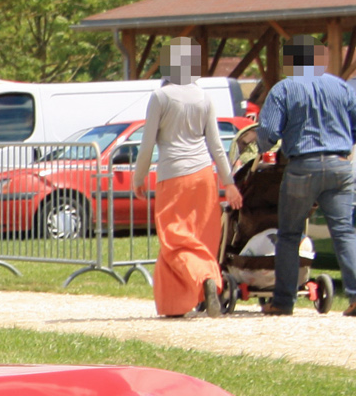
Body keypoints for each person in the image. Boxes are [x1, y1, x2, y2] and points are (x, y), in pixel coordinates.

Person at [132, 38, 240, 318]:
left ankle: (204, 278)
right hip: (205, 175)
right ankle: (178, 303)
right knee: (199, 239)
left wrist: (138, 177)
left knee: (174, 239)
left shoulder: (161, 97)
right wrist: (228, 182)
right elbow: (216, 145)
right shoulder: (204, 97)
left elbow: (147, 144)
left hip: (173, 174)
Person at [258, 36, 356, 316]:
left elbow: (268, 132)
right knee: (344, 234)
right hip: (339, 165)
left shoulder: (285, 89)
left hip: (303, 165)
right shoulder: (341, 86)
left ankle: (283, 301)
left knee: (289, 235)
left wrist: (266, 149)